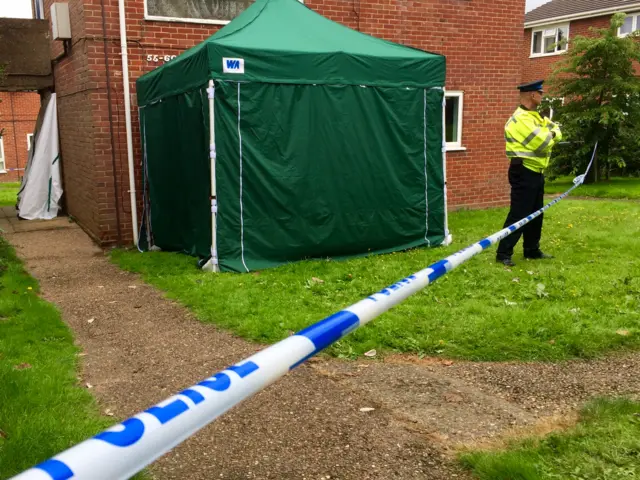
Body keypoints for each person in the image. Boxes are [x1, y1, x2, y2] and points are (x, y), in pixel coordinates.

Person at [496, 79, 562, 267]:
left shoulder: (537, 117)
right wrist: (551, 135)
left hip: (536, 171)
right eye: (540, 93)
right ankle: (503, 253)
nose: (542, 96)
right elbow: (543, 142)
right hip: (523, 170)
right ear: (533, 95)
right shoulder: (521, 119)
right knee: (519, 214)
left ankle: (531, 250)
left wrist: (552, 134)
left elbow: (557, 131)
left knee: (536, 213)